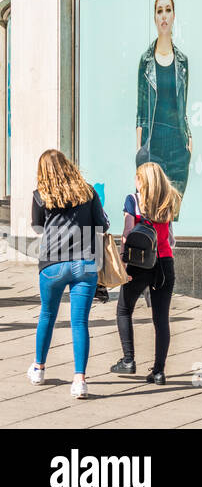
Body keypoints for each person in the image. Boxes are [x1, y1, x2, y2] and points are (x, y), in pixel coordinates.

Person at [29, 149, 111, 399]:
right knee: (79, 322)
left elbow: (37, 227)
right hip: (85, 263)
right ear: (68, 166)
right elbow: (103, 225)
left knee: (47, 315)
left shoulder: (41, 194)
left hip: (53, 263)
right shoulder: (88, 191)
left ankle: (39, 368)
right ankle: (79, 380)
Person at [110, 162, 180, 383]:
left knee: (124, 309)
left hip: (140, 262)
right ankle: (159, 371)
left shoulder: (133, 200)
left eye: (137, 178)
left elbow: (128, 231)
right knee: (161, 319)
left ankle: (128, 360)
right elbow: (170, 238)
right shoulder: (169, 200)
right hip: (165, 263)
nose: (135, 182)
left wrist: (122, 260)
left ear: (142, 180)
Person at [136, 0, 192, 196]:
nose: (164, 16)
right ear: (154, 17)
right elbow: (141, 112)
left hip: (178, 148)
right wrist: (140, 151)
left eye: (168, 10)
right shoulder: (146, 61)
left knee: (172, 213)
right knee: (152, 209)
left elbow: (183, 105)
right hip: (153, 147)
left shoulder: (183, 62)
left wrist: (188, 144)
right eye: (159, 11)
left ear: (174, 16)